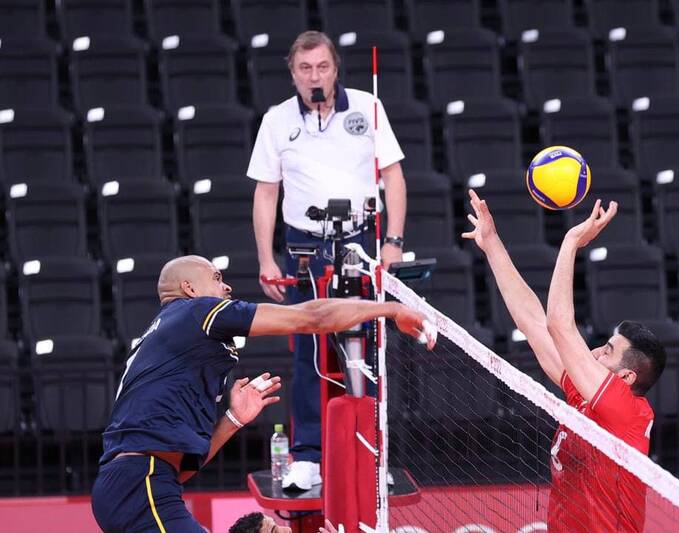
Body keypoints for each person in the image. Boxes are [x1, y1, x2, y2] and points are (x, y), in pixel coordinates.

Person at [91, 255, 433, 533]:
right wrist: (389, 311)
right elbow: (311, 317)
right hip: (142, 483)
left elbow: (180, 469)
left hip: (135, 484)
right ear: (189, 288)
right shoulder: (197, 312)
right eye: (216, 277)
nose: (226, 286)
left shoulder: (168, 343)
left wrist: (232, 419)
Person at [247, 30, 409, 490]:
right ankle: (307, 456)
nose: (314, 76)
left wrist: (394, 241)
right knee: (307, 349)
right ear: (293, 73)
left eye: (322, 67)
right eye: (305, 68)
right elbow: (266, 192)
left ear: (335, 69)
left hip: (360, 240)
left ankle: (373, 455)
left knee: (367, 349)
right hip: (305, 246)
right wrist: (266, 257)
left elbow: (394, 176)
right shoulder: (277, 120)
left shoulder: (367, 107)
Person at [462, 190, 666, 533]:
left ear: (626, 377)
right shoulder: (584, 397)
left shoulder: (624, 410)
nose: (596, 352)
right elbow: (534, 323)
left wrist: (571, 242)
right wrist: (492, 243)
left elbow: (559, 324)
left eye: (608, 351)